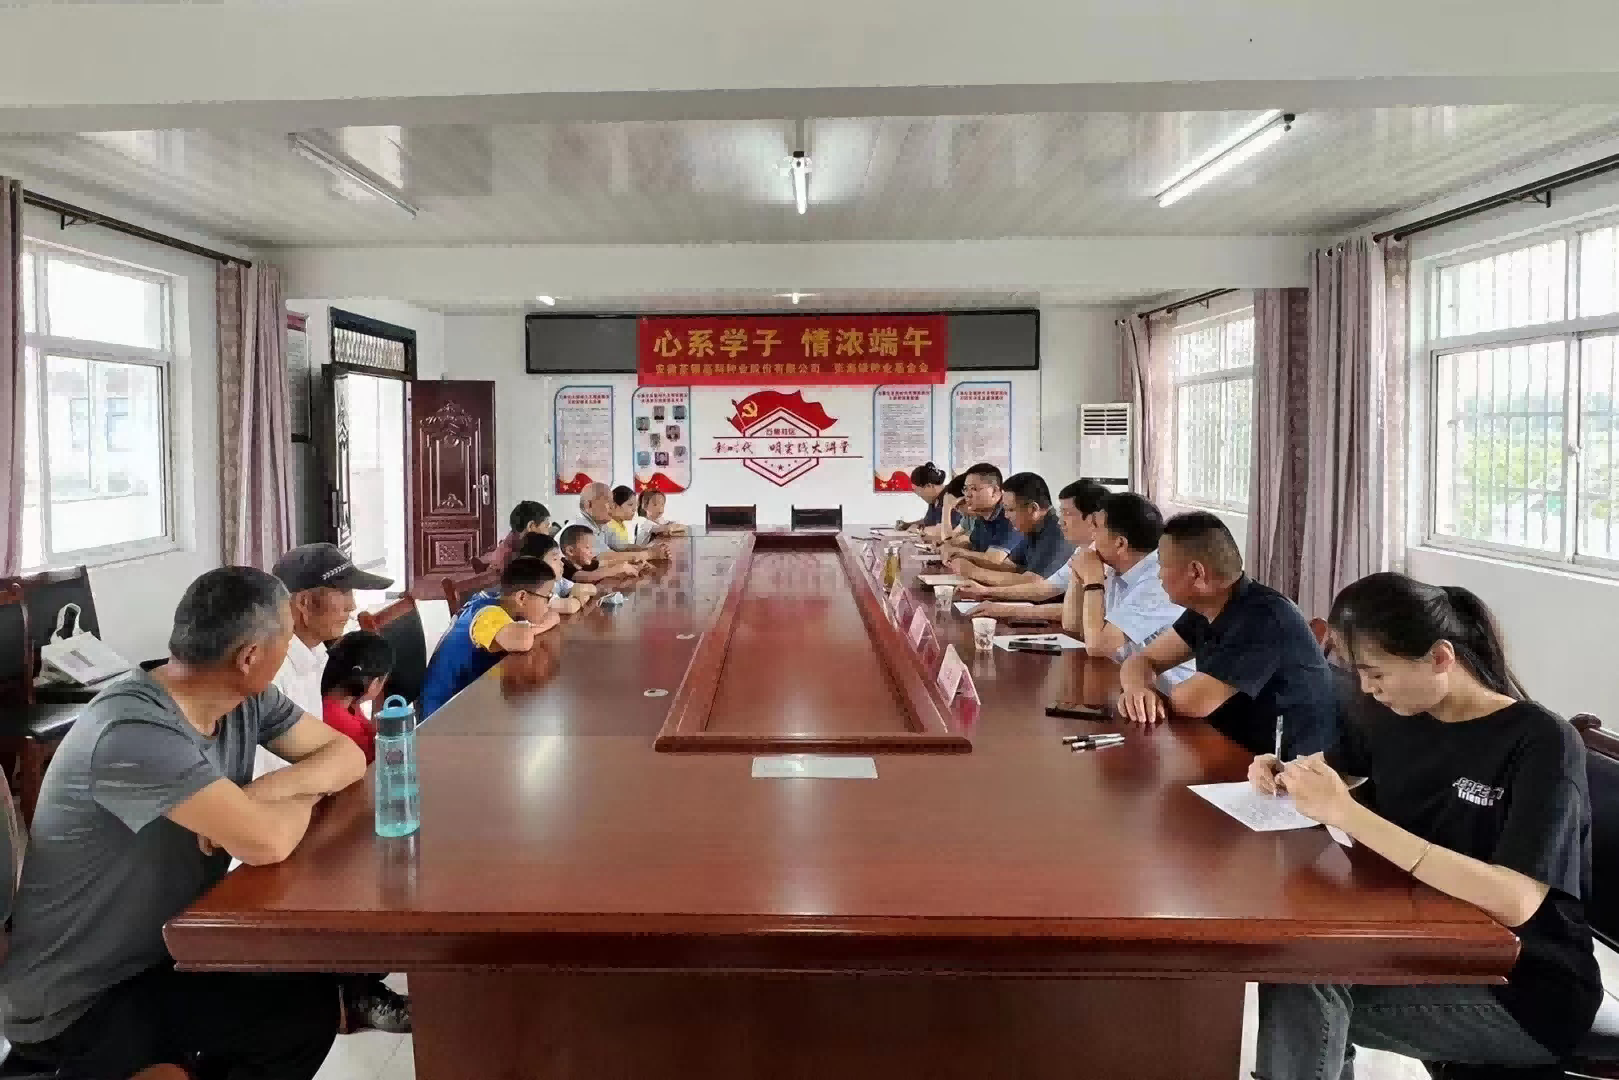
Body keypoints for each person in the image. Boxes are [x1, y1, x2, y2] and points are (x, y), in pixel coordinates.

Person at [0, 567, 405, 1080]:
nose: (290, 648)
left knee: (303, 1000)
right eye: (285, 638)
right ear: (250, 657)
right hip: (79, 999)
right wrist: (294, 796)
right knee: (294, 1014)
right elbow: (267, 842)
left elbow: (344, 755)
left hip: (163, 955)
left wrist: (262, 793)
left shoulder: (243, 698)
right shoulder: (133, 731)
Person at [1248, 572, 1600, 1078]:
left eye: (1376, 673)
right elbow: (1337, 771)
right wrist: (1285, 772)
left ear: (1440, 657)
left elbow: (1515, 899)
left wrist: (1348, 814)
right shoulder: (1394, 712)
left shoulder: (1542, 742)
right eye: (1357, 673)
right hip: (1429, 940)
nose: (1366, 688)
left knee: (1302, 983)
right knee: (1300, 966)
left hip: (1523, 986)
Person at [1117, 511, 1339, 758]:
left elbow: (1191, 702)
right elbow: (1143, 659)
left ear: (1196, 572)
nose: (1159, 575)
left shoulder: (1264, 618)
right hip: (1234, 748)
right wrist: (1137, 689)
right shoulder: (1209, 605)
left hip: (1287, 767)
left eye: (1162, 565)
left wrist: (1150, 689)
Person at [418, 557, 563, 720]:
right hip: (440, 713)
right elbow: (523, 641)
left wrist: (533, 627)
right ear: (522, 597)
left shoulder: (502, 604)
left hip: (468, 699)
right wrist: (534, 628)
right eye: (547, 597)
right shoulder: (487, 613)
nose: (548, 605)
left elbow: (554, 616)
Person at [957, 479, 1106, 617]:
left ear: (1094, 519)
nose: (1061, 521)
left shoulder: (1103, 554)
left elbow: (1081, 613)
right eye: (1061, 512)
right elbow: (1045, 588)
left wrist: (1004, 609)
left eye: (1067, 513)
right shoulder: (1082, 551)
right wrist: (986, 592)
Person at [947, 472, 1074, 587]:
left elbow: (1032, 582)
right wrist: (967, 560)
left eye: (1011, 510)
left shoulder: (1057, 532)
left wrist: (974, 571)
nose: (1006, 516)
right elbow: (1011, 566)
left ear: (1033, 509)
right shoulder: (1032, 527)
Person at [319, 630, 394, 764]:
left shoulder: (347, 702)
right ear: (374, 683)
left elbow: (370, 730)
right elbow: (377, 761)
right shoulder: (342, 722)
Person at [938, 463, 1021, 567]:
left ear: (994, 491)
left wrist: (961, 552)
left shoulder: (1009, 515)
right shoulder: (982, 516)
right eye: (966, 489)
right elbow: (975, 545)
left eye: (974, 489)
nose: (967, 495)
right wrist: (952, 547)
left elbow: (993, 559)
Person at [569, 482, 665, 563]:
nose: (612, 506)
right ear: (588, 505)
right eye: (608, 502)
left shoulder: (601, 525)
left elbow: (623, 546)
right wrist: (649, 554)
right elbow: (606, 557)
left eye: (612, 501)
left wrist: (650, 549)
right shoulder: (581, 529)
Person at [514, 531, 598, 613]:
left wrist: (579, 590)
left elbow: (592, 589)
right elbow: (570, 606)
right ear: (536, 565)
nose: (562, 563)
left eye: (559, 558)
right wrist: (579, 597)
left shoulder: (558, 581)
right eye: (555, 559)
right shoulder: (537, 590)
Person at [558, 523, 640, 586]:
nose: (592, 552)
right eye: (587, 547)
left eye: (592, 548)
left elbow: (605, 563)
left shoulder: (582, 563)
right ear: (570, 551)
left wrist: (632, 561)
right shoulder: (564, 566)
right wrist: (619, 568)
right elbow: (590, 577)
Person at [486, 501, 554, 571]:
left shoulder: (510, 546)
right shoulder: (513, 560)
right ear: (531, 526)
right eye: (546, 526)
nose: (548, 533)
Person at [896, 463, 950, 532]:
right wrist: (907, 525)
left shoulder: (951, 496)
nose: (919, 496)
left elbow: (948, 530)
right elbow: (928, 522)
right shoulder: (933, 501)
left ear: (929, 486)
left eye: (919, 492)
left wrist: (919, 529)